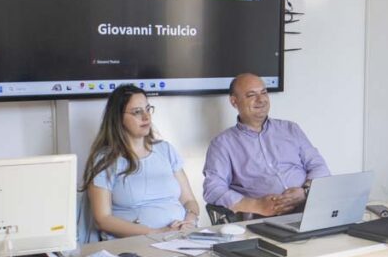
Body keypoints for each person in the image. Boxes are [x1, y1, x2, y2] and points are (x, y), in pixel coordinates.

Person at [203, 73, 330, 217]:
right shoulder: (222, 144)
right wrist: (256, 205)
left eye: (264, 93)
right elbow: (213, 189)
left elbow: (319, 166)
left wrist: (305, 191)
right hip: (263, 218)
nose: (261, 99)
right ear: (234, 102)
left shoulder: (290, 129)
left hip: (308, 205)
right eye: (251, 95)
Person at [81, 85, 200, 238]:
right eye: (137, 112)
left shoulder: (166, 150)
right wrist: (155, 232)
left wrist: (190, 220)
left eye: (148, 109)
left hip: (181, 236)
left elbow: (189, 200)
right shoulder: (105, 159)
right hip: (137, 243)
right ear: (118, 118)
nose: (146, 117)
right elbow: (102, 220)